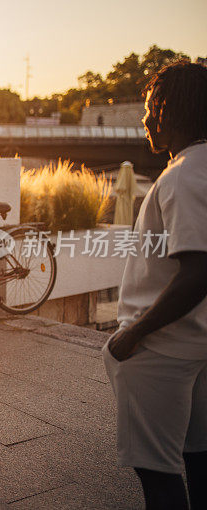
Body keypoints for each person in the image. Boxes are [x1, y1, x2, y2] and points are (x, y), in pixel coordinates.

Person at [103, 61, 207, 510]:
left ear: (171, 110)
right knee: (200, 461)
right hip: (198, 344)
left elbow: (198, 271)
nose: (146, 119)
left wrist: (133, 333)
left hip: (161, 351)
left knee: (159, 474)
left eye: (152, 107)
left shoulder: (184, 174)